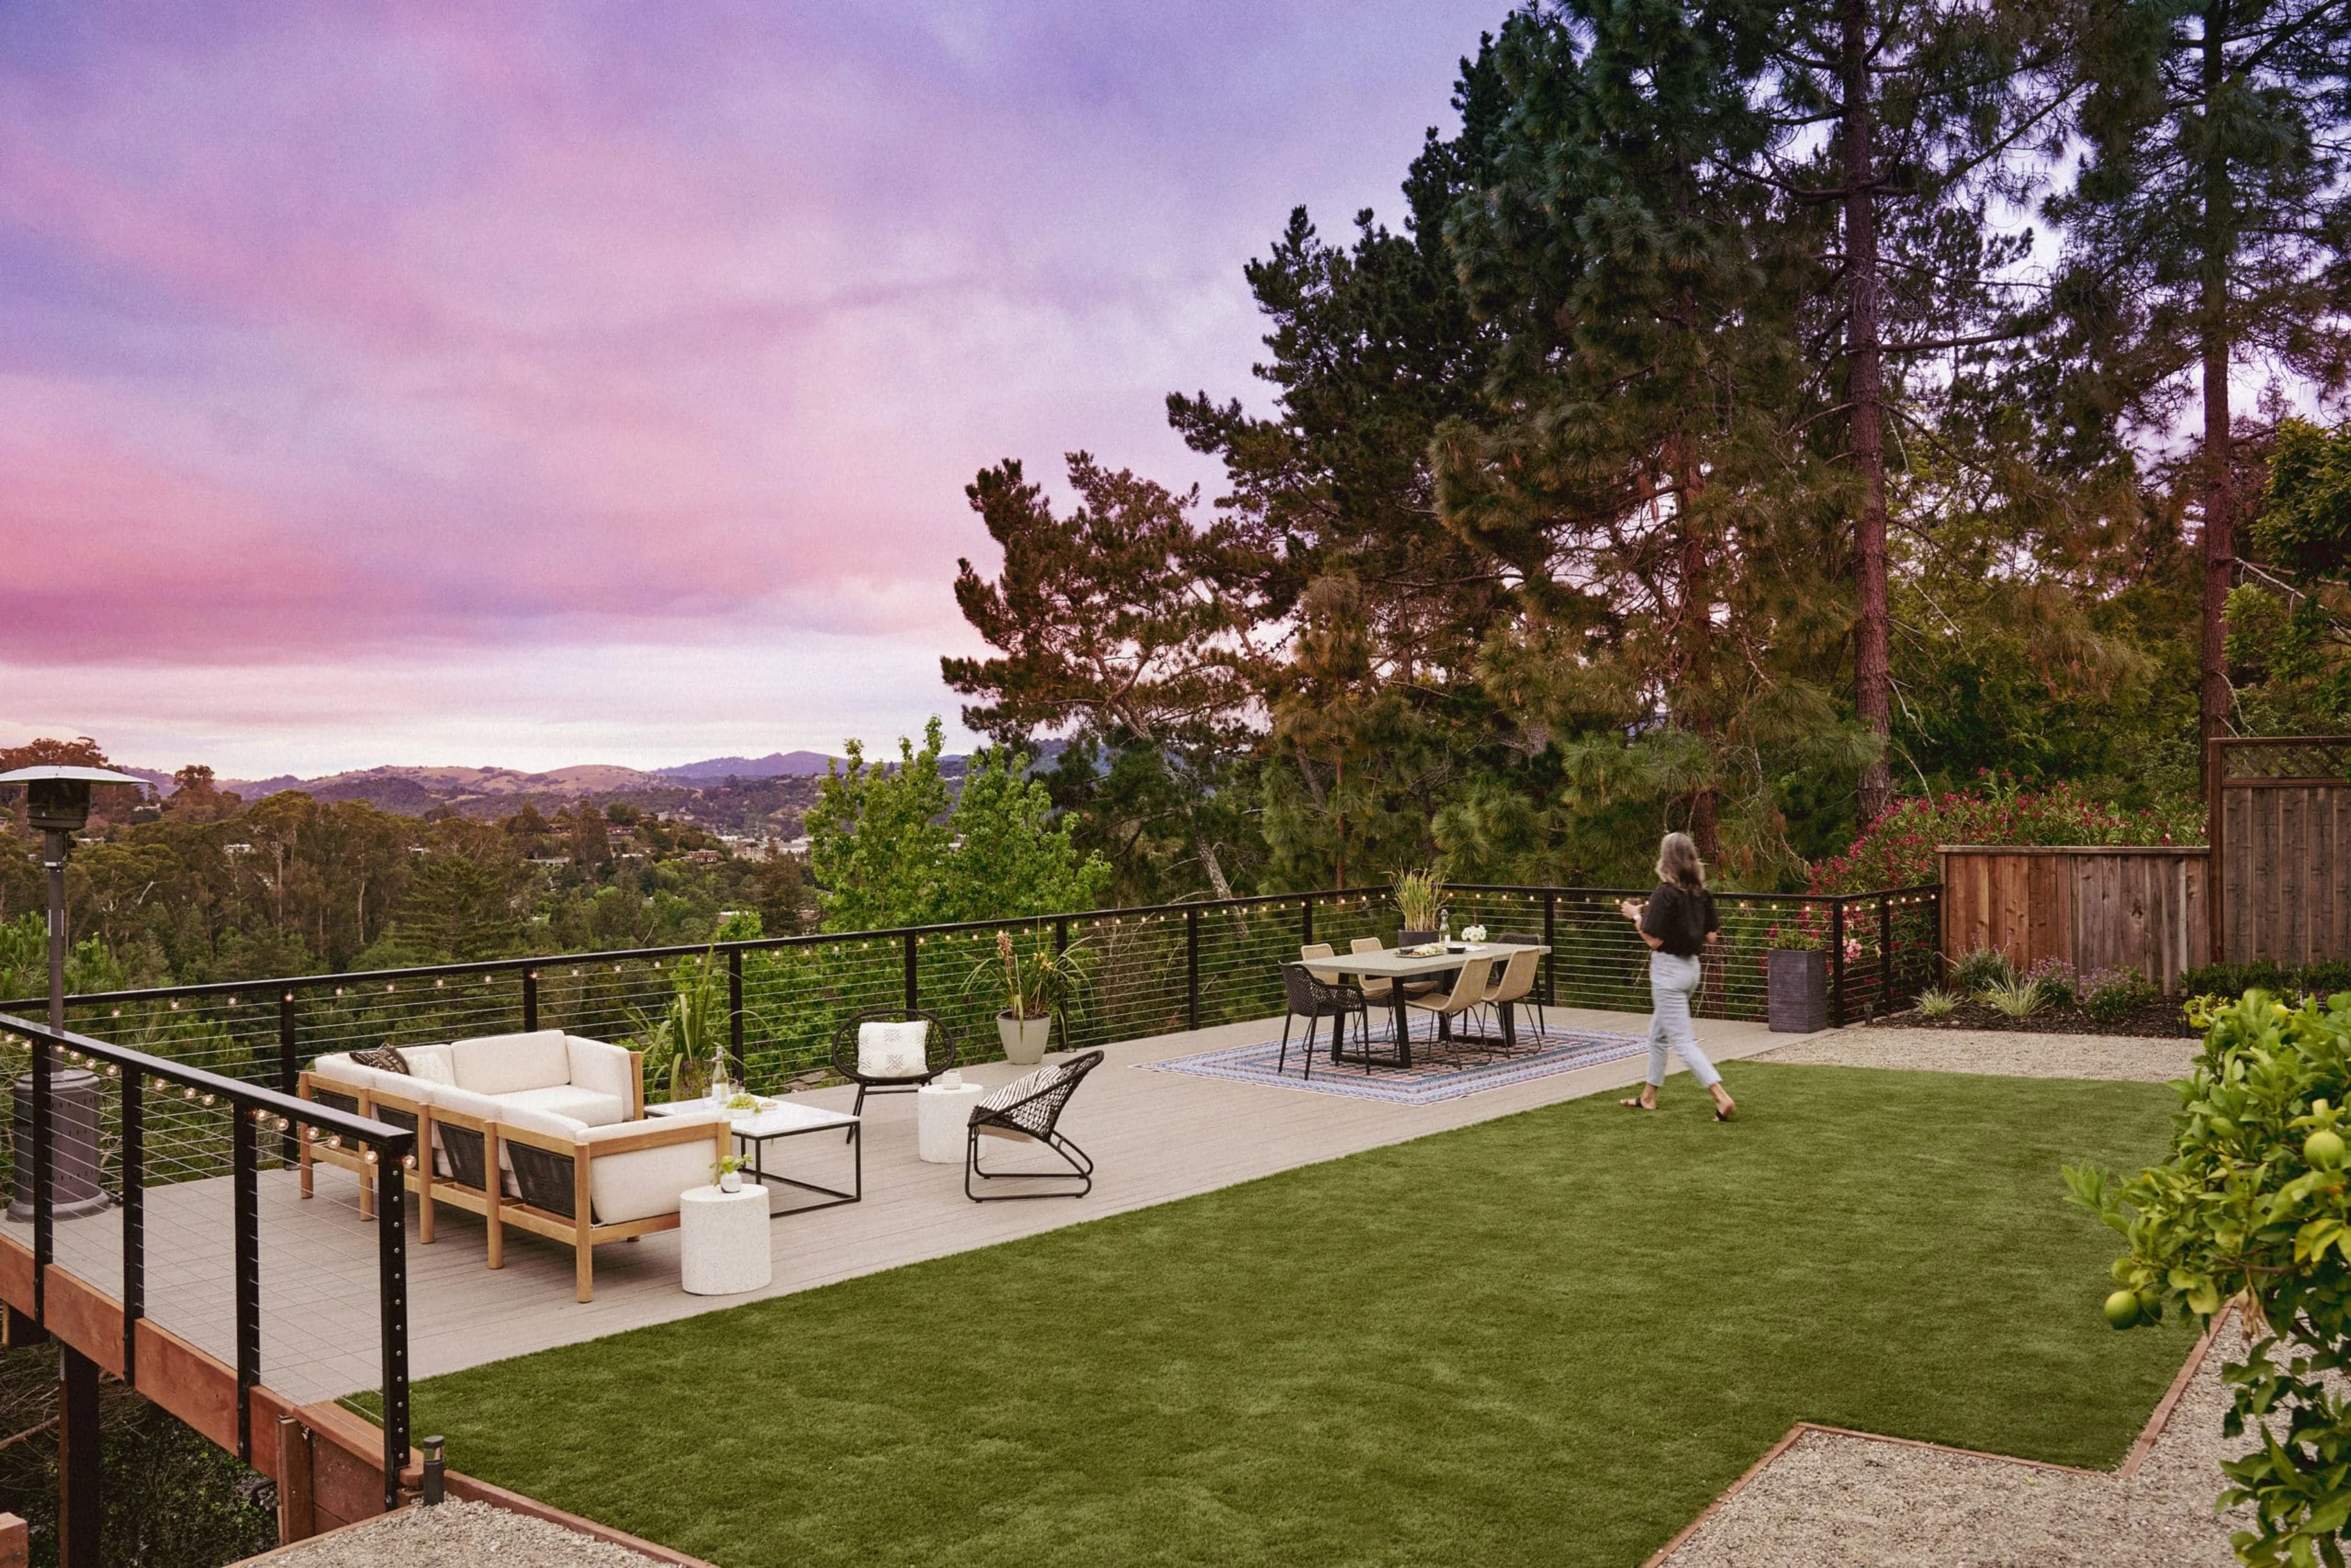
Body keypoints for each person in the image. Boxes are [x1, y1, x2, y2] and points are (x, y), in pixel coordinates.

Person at [1616, 831, 1736, 1120]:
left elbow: (1653, 940)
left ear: (1666, 860)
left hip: (1668, 973)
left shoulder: (1665, 893)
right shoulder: (1701, 895)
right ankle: (1649, 1097)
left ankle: (1721, 1097)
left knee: (1682, 1041)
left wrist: (1634, 915)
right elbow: (1711, 937)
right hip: (1692, 971)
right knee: (1658, 1035)